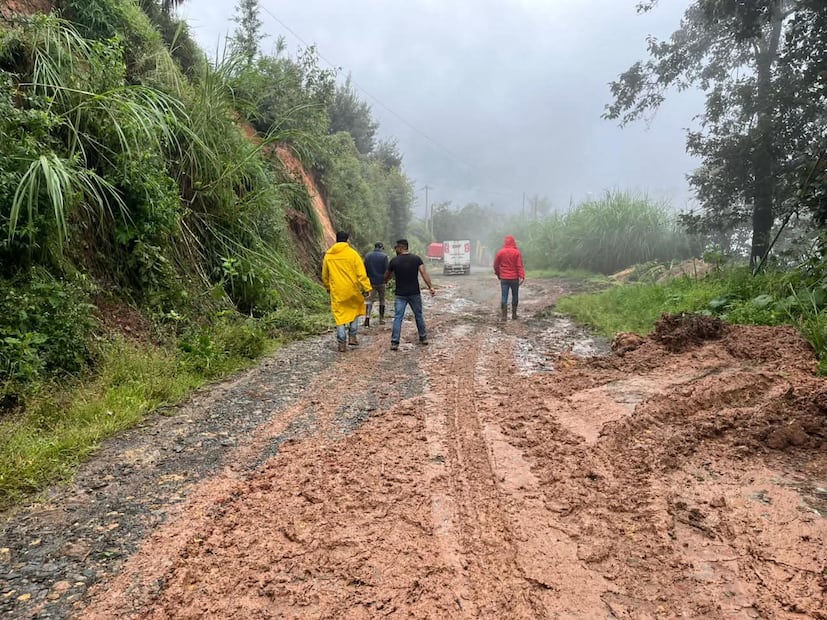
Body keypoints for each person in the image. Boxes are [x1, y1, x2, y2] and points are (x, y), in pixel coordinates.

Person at [322, 231, 372, 352]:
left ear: (336, 239)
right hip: (352, 290)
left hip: (337, 291)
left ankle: (341, 343)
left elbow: (325, 275)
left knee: (339, 316)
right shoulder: (353, 254)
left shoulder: (329, 255)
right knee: (355, 310)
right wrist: (367, 288)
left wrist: (328, 287)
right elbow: (361, 274)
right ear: (347, 240)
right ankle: (352, 337)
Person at [385, 239, 436, 351]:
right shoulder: (416, 259)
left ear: (401, 247)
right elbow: (423, 273)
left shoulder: (394, 261)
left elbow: (387, 276)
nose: (396, 249)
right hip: (414, 293)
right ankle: (423, 337)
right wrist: (430, 287)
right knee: (418, 315)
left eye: (397, 247)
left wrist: (385, 281)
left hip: (400, 294)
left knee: (398, 317)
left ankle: (394, 342)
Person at [493, 234, 525, 321]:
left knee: (504, 296)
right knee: (515, 295)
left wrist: (498, 274)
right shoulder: (516, 252)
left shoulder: (500, 252)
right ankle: (514, 315)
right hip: (514, 278)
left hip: (504, 278)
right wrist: (522, 276)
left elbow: (495, 265)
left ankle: (504, 316)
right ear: (513, 242)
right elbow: (519, 266)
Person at [363, 242, 389, 327]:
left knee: (369, 300)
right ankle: (381, 319)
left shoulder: (368, 256)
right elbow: (387, 270)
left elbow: (364, 269)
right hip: (381, 281)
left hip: (370, 282)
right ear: (381, 248)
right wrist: (386, 280)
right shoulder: (384, 256)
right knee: (382, 300)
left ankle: (367, 318)